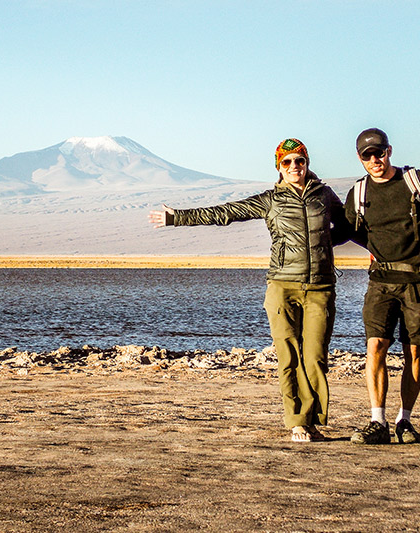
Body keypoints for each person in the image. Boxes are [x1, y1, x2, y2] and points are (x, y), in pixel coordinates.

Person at [149, 139, 349, 442]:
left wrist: (322, 247)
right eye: (287, 162)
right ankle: (297, 422)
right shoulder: (270, 200)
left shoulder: (324, 195)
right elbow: (227, 212)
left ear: (307, 163)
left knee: (315, 357)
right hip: (282, 285)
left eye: (300, 161)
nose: (294, 167)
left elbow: (348, 226)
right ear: (279, 167)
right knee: (288, 355)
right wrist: (177, 218)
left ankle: (311, 419)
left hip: (321, 287)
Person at [344, 128, 420, 445]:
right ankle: (378, 421)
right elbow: (351, 230)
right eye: (367, 155)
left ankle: (405, 420)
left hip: (419, 281)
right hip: (381, 282)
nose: (375, 160)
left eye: (380, 152)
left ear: (389, 150)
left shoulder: (417, 182)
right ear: (360, 159)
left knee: (414, 351)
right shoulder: (359, 194)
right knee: (375, 347)